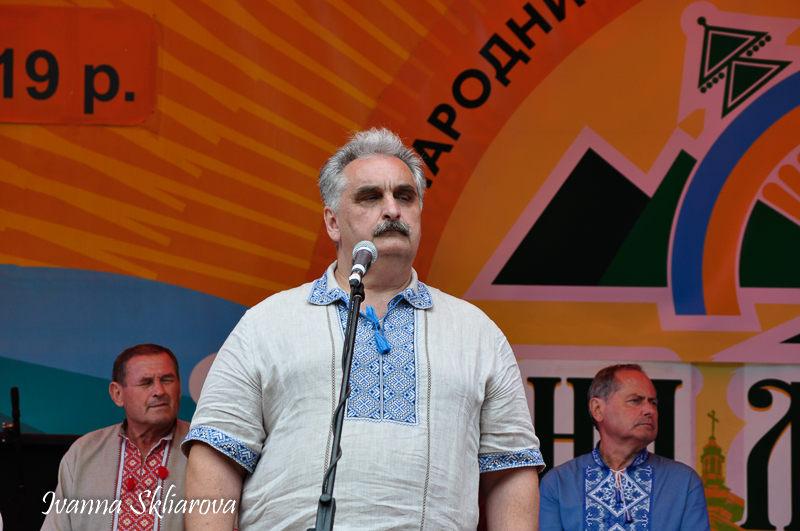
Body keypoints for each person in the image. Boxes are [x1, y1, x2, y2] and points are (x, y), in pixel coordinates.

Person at [182, 128, 544, 530]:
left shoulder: (476, 334)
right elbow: (216, 456)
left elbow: (511, 469)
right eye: (370, 197)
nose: (392, 210)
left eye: (404, 197)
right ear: (332, 222)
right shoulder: (267, 323)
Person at [539, 364, 710, 531]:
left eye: (653, 403)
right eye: (635, 401)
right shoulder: (559, 483)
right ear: (598, 409)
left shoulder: (684, 483)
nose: (650, 410)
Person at [42, 344, 189, 531]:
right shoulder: (84, 452)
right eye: (146, 383)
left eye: (167, 380)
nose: (160, 391)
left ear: (179, 388)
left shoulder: (203, 447)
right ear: (117, 394)